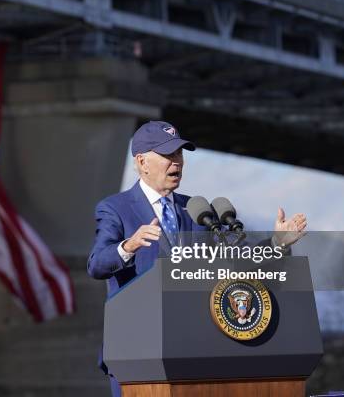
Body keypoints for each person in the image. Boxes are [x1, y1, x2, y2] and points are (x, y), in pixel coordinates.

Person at [87, 120, 307, 396]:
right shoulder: (115, 208)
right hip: (136, 353)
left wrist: (276, 244)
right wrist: (128, 246)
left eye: (179, 154)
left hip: (194, 351)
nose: (176, 162)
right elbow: (96, 264)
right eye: (168, 155)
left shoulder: (197, 210)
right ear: (142, 162)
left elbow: (234, 262)